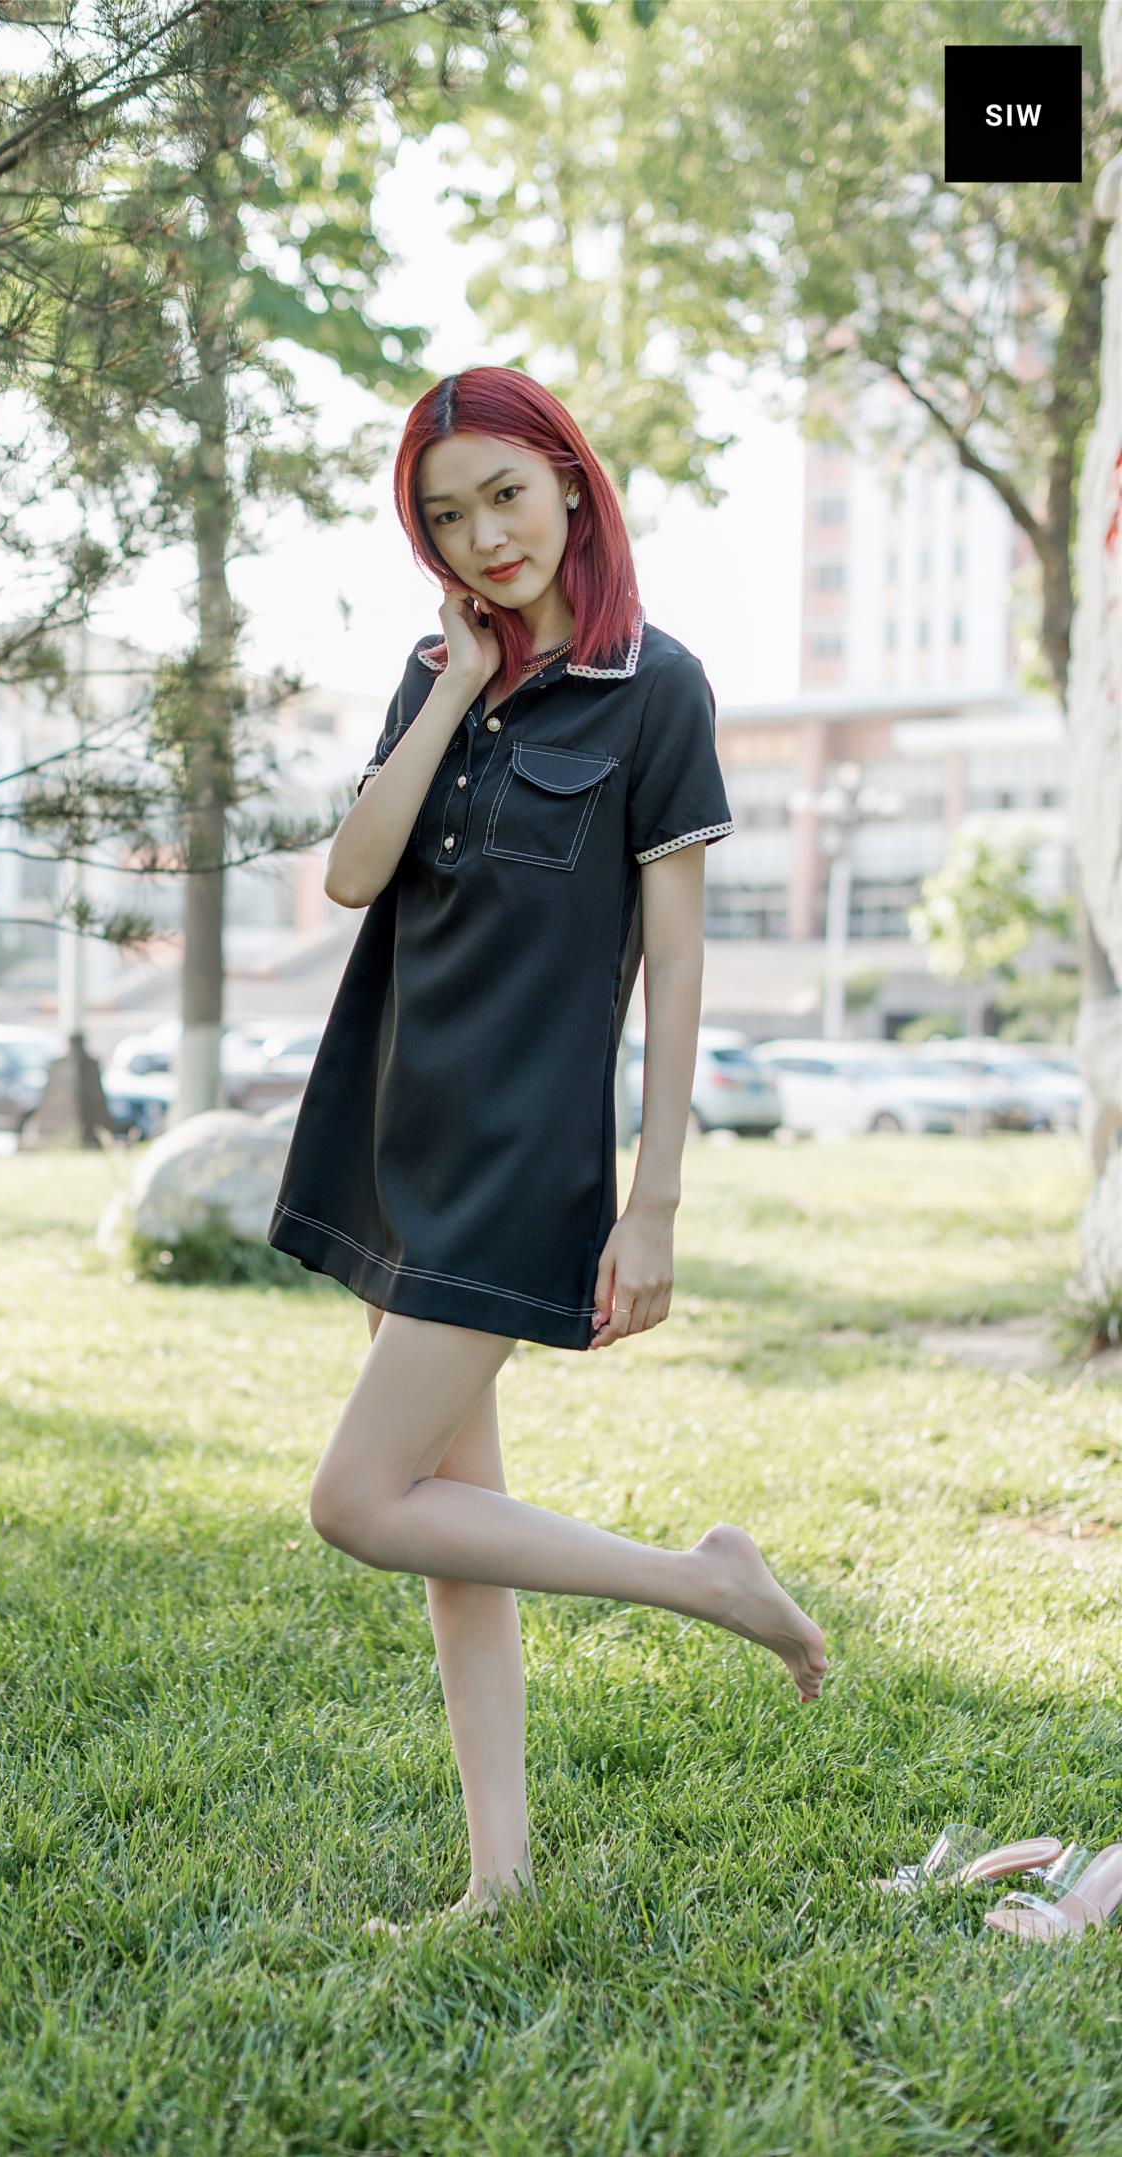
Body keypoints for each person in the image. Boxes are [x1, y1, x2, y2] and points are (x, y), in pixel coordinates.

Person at [267, 366, 827, 1934]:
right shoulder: (433, 674)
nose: (486, 536)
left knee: (359, 1498)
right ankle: (499, 1877)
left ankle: (706, 1578)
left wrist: (655, 1204)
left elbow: (678, 967)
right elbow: (353, 877)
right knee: (457, 1524)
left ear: (571, 481)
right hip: (393, 1126)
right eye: (447, 517)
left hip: (519, 1158)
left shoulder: (659, 689)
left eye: (505, 493)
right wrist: (454, 685)